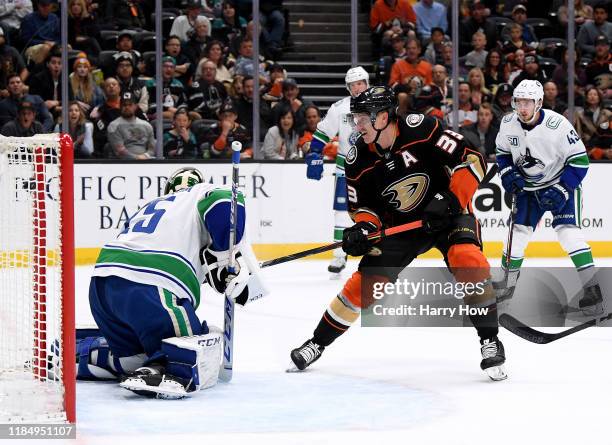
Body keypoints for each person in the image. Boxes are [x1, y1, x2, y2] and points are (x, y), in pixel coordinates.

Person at [290, 86, 507, 381]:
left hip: (447, 214)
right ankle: (317, 342)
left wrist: (452, 199)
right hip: (400, 228)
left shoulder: (423, 129)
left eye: (363, 119)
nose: (357, 125)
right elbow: (364, 209)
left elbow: (473, 160)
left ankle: (489, 340)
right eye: (355, 119)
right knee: (364, 284)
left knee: (467, 260)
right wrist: (362, 230)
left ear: (383, 117)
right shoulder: (357, 158)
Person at [83, 167, 264, 399]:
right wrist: (224, 256)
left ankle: (90, 354)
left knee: (132, 360)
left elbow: (191, 261)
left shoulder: (154, 207)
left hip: (102, 288)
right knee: (195, 345)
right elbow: (225, 200)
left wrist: (221, 271)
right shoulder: (199, 192)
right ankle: (161, 367)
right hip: (150, 288)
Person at [494, 80, 603, 316]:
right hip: (529, 189)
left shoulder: (558, 125)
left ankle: (593, 290)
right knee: (517, 235)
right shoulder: (508, 123)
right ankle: (506, 286)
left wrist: (563, 189)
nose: (522, 107)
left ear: (539, 103)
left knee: (568, 234)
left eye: (528, 102)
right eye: (518, 101)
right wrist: (507, 173)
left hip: (560, 182)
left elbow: (580, 161)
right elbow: (502, 153)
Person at [305, 66, 370, 274]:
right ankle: (340, 255)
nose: (357, 88)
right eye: (353, 85)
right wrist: (315, 153)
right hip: (346, 169)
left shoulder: (379, 103)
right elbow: (323, 133)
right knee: (342, 214)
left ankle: (376, 251)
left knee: (376, 211)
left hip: (374, 169)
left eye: (360, 83)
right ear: (348, 87)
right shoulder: (340, 108)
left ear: (367, 83)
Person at [106, 91, 156, 159]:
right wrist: (137, 158)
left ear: (135, 106)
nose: (127, 107)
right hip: (123, 164)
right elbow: (120, 151)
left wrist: (145, 156)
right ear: (120, 106)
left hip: (146, 161)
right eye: (124, 105)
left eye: (130, 105)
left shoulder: (147, 125)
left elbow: (152, 148)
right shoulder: (114, 125)